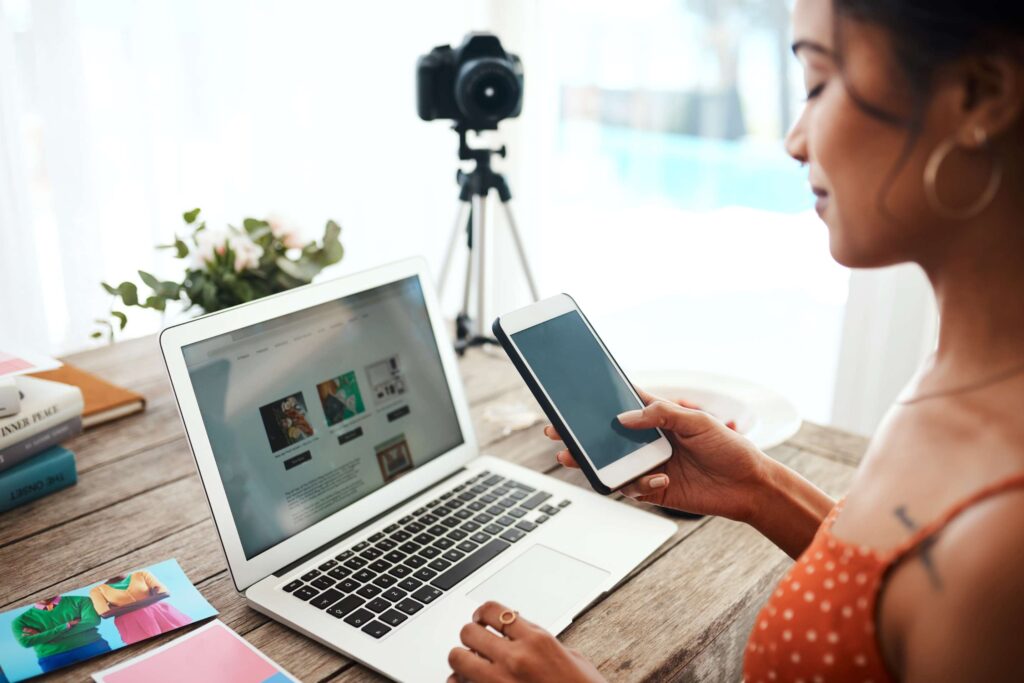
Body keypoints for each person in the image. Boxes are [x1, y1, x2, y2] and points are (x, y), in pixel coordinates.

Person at [447, 0, 1024, 680]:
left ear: (976, 96)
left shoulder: (1002, 540)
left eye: (817, 83)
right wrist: (757, 486)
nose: (794, 139)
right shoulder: (964, 370)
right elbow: (896, 579)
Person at [12, 595, 110, 673]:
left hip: (93, 647)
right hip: (53, 658)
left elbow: (92, 621)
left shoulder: (81, 600)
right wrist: (66, 626)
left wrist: (43, 636)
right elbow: (26, 642)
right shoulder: (20, 621)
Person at [88, 570, 191, 645]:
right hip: (132, 625)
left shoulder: (142, 574)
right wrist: (152, 598)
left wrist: (118, 609)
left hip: (163, 615)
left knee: (184, 640)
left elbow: (165, 594)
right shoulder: (97, 590)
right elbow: (105, 614)